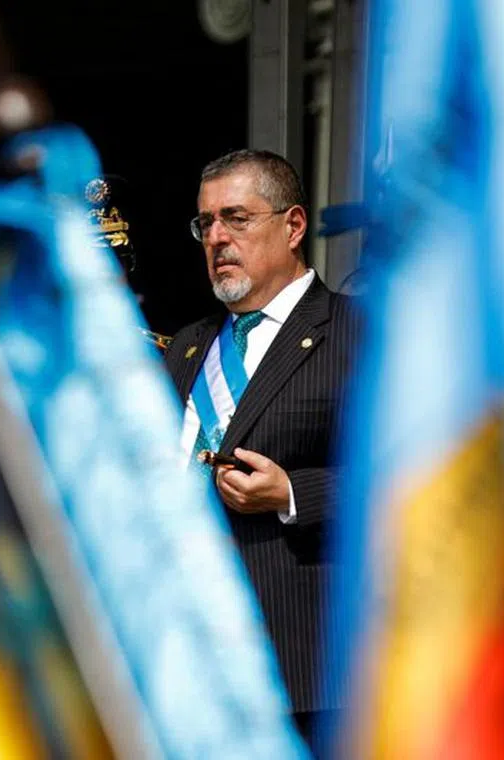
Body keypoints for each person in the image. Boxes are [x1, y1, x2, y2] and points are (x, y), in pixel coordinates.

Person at [164, 149, 362, 748]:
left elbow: (407, 471)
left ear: (293, 225)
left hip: (301, 673)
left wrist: (293, 493)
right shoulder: (188, 347)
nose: (217, 238)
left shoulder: (360, 332)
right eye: (206, 224)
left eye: (236, 218)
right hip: (189, 665)